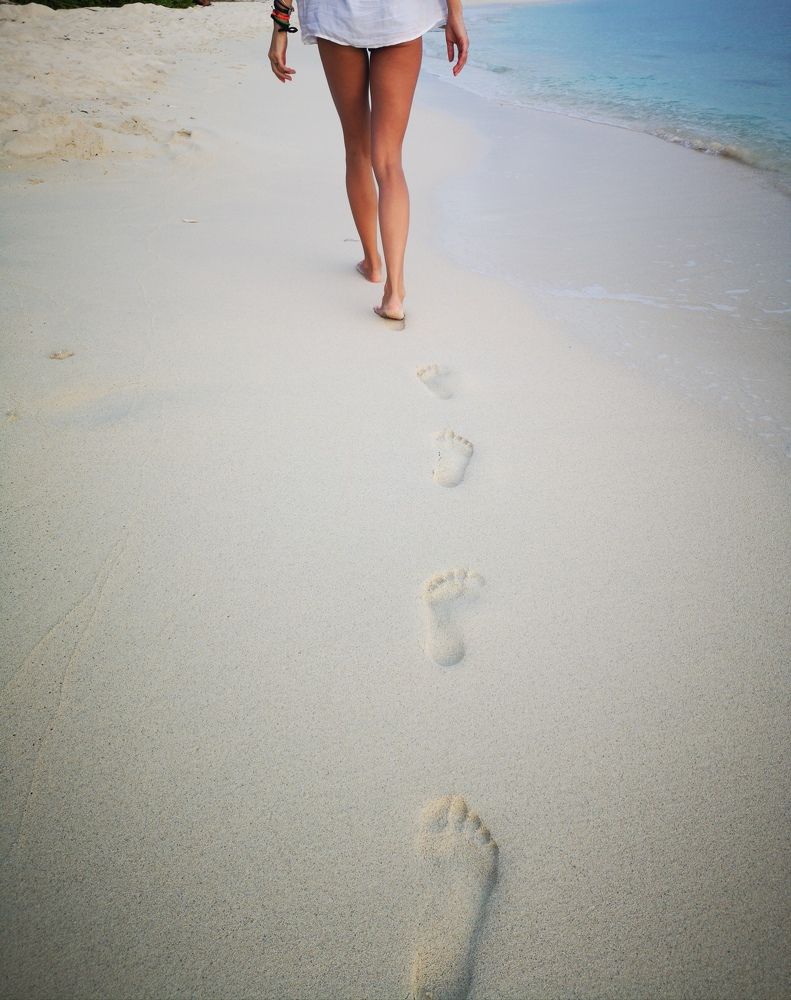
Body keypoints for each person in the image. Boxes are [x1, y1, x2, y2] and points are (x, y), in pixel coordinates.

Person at [268, 1, 469, 322]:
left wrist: (280, 26)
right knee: (389, 161)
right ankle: (395, 291)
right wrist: (455, 15)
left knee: (357, 148)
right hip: (399, 15)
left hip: (337, 17)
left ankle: (373, 263)